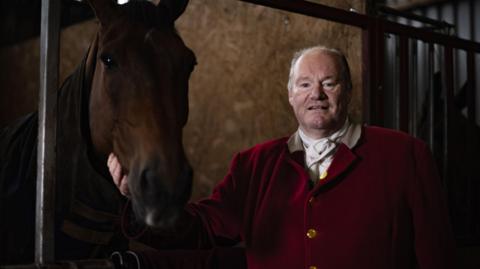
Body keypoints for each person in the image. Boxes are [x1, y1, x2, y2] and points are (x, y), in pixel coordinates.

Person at [108, 45, 455, 269]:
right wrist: (138, 201)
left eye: (329, 83)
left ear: (348, 90)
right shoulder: (253, 165)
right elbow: (202, 230)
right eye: (304, 85)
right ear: (290, 95)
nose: (316, 94)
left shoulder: (405, 154)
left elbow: (436, 255)